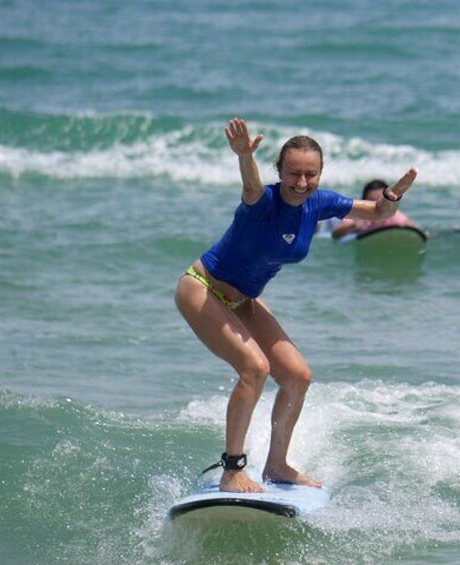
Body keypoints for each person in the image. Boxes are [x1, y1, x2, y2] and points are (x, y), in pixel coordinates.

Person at [175, 117, 417, 493]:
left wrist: (391, 198)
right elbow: (251, 185)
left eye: (310, 174)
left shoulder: (319, 203)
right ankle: (232, 469)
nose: (301, 183)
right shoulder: (263, 201)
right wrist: (243, 157)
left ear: (320, 174)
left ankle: (277, 465)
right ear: (279, 171)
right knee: (254, 368)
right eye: (293, 174)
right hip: (203, 288)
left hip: (244, 301)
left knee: (297, 376)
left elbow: (378, 213)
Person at [331, 179, 420, 239]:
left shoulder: (393, 215)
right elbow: (335, 234)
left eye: (381, 202)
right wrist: (353, 225)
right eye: (372, 202)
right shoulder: (359, 215)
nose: (378, 207)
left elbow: (415, 230)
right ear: (364, 202)